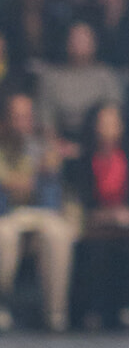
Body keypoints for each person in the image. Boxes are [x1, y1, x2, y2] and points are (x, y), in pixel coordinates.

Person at [0, 91, 76, 332]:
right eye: (16, 117)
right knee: (4, 236)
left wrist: (42, 176)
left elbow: (50, 192)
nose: (22, 122)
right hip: (8, 214)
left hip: (41, 212)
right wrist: (22, 183)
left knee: (59, 235)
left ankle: (55, 313)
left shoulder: (44, 145)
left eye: (26, 117)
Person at [69, 102, 129, 330]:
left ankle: (128, 307)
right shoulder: (85, 159)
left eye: (114, 122)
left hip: (126, 221)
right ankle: (95, 310)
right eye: (104, 122)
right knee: (97, 250)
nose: (109, 128)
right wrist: (100, 215)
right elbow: (82, 197)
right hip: (95, 222)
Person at [35, 20, 124, 147]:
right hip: (60, 144)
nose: (79, 43)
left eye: (84, 38)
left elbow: (113, 118)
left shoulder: (106, 76)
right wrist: (57, 146)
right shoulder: (50, 78)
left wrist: (91, 149)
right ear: (67, 42)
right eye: (75, 38)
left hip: (99, 146)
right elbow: (45, 121)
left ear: (94, 43)